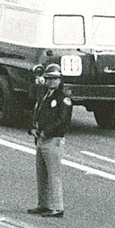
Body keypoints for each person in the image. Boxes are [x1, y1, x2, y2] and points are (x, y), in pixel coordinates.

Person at [30, 63, 73, 216]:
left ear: (60, 80)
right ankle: (43, 203)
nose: (51, 81)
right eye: (49, 78)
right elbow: (38, 113)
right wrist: (33, 128)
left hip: (53, 139)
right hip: (41, 138)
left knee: (53, 174)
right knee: (41, 174)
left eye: (54, 79)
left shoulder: (63, 98)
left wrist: (46, 131)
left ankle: (57, 207)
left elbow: (63, 120)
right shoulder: (45, 95)